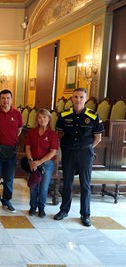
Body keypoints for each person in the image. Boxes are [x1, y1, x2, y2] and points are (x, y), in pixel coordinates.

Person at [54, 88, 104, 227]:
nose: (78, 100)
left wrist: (86, 148)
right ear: (71, 99)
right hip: (68, 152)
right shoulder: (64, 115)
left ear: (85, 99)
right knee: (67, 182)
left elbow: (98, 138)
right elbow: (58, 134)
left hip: (85, 153)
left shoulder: (93, 116)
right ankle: (64, 210)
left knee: (85, 184)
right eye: (75, 97)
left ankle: (85, 214)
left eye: (81, 97)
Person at [0, 89, 23, 213]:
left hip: (11, 151)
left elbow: (19, 129)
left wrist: (11, 138)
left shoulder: (17, 114)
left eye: (8, 98)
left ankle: (7, 201)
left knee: (9, 178)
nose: (5, 100)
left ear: (11, 100)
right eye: (3, 98)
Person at [25, 108, 59, 218]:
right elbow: (28, 147)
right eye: (39, 117)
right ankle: (33, 207)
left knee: (44, 187)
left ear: (49, 119)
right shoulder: (31, 132)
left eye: (44, 117)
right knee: (33, 185)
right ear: (37, 119)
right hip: (33, 162)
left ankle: (41, 207)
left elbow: (53, 152)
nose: (42, 119)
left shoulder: (53, 134)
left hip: (47, 164)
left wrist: (39, 162)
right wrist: (31, 161)